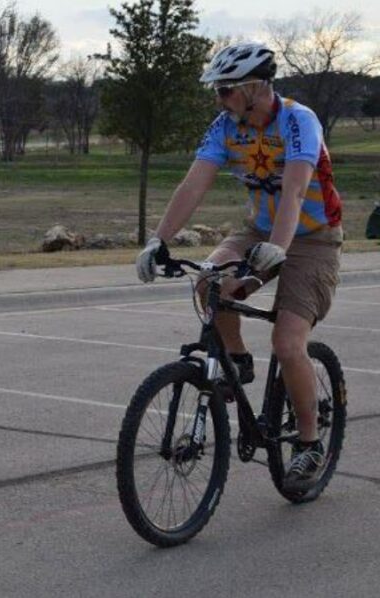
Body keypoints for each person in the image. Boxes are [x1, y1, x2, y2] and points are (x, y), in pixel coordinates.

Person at [135, 42, 343, 492]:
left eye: (226, 90)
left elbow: (294, 191)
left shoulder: (298, 120)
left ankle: (309, 444)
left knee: (288, 343)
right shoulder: (225, 128)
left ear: (254, 86)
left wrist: (279, 249)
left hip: (313, 237)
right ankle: (238, 360)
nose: (220, 99)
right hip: (258, 229)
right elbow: (194, 185)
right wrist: (158, 241)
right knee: (208, 283)